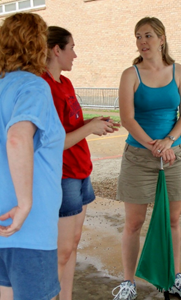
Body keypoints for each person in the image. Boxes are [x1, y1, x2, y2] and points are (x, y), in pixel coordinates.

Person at [112, 17, 181, 300]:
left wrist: (168, 142)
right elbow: (127, 119)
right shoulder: (130, 74)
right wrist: (154, 145)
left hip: (173, 155)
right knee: (134, 223)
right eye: (138, 36)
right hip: (139, 157)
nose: (142, 42)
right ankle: (128, 283)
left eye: (148, 35)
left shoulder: (179, 71)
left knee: (173, 220)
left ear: (162, 38)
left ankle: (174, 277)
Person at [42, 26, 119, 300]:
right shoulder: (43, 86)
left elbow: (69, 125)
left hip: (80, 171)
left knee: (73, 245)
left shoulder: (65, 83)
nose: (75, 54)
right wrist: (88, 130)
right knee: (61, 250)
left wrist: (94, 124)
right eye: (71, 47)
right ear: (56, 50)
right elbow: (52, 142)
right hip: (63, 176)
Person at [0, 13, 65, 300]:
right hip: (28, 228)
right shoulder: (33, 86)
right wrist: (25, 204)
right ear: (39, 47)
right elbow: (17, 137)